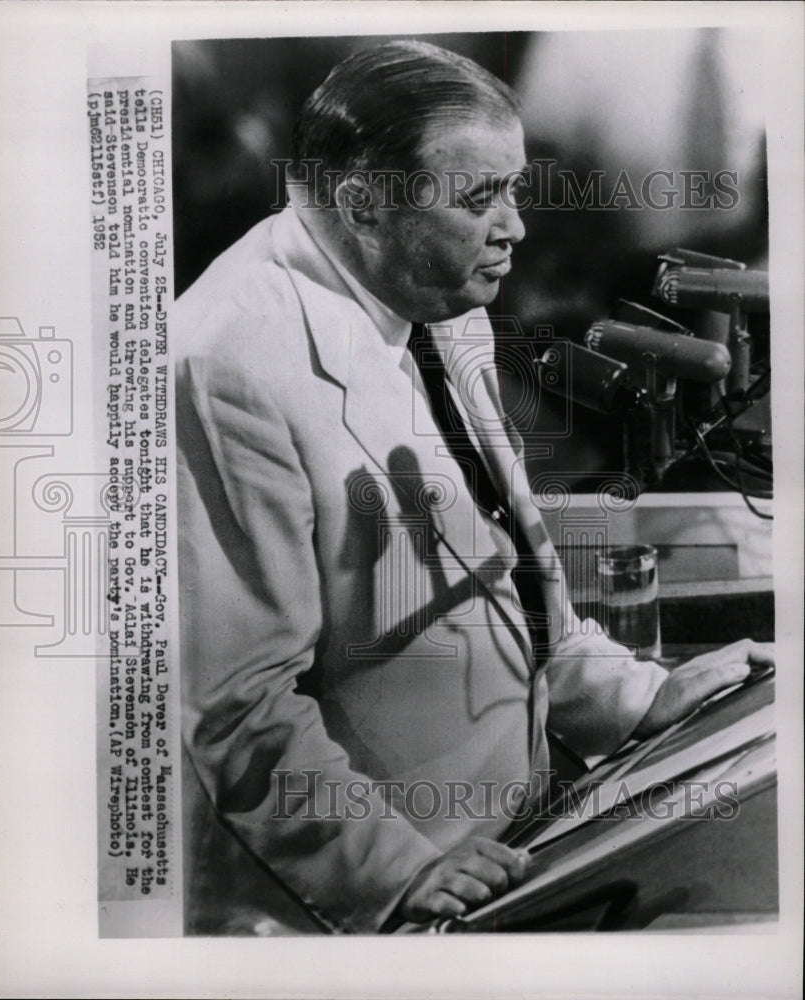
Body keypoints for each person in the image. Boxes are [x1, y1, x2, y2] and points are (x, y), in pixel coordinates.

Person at [175, 40, 773, 935]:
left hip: (514, 845)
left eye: (515, 192)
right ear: (362, 204)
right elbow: (234, 710)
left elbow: (502, 579)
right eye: (480, 198)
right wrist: (399, 872)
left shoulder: (435, 298)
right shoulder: (225, 360)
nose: (517, 230)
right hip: (369, 906)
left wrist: (637, 695)